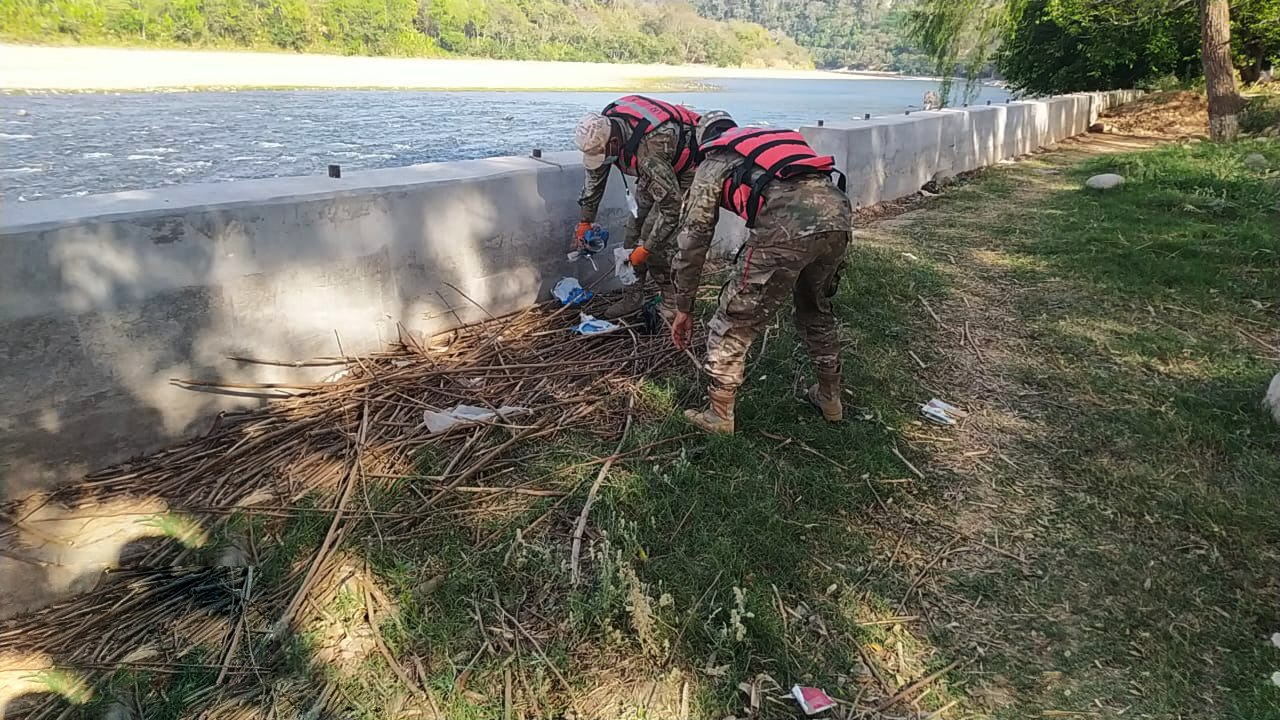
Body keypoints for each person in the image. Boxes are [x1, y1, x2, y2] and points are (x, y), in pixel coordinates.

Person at [669, 111, 852, 434]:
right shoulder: (765, 142)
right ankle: (829, 398)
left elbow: (694, 238)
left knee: (734, 319)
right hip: (838, 217)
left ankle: (719, 415)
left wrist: (684, 306)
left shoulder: (714, 162)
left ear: (703, 141)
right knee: (816, 308)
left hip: (785, 227)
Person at [573, 95, 702, 319]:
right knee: (633, 231)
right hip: (658, 168)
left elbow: (672, 210)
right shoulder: (605, 130)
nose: (601, 160)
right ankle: (632, 297)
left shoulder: (650, 154)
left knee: (655, 239)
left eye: (602, 155)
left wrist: (647, 248)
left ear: (614, 143)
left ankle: (672, 303)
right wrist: (585, 221)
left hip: (687, 169)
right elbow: (595, 180)